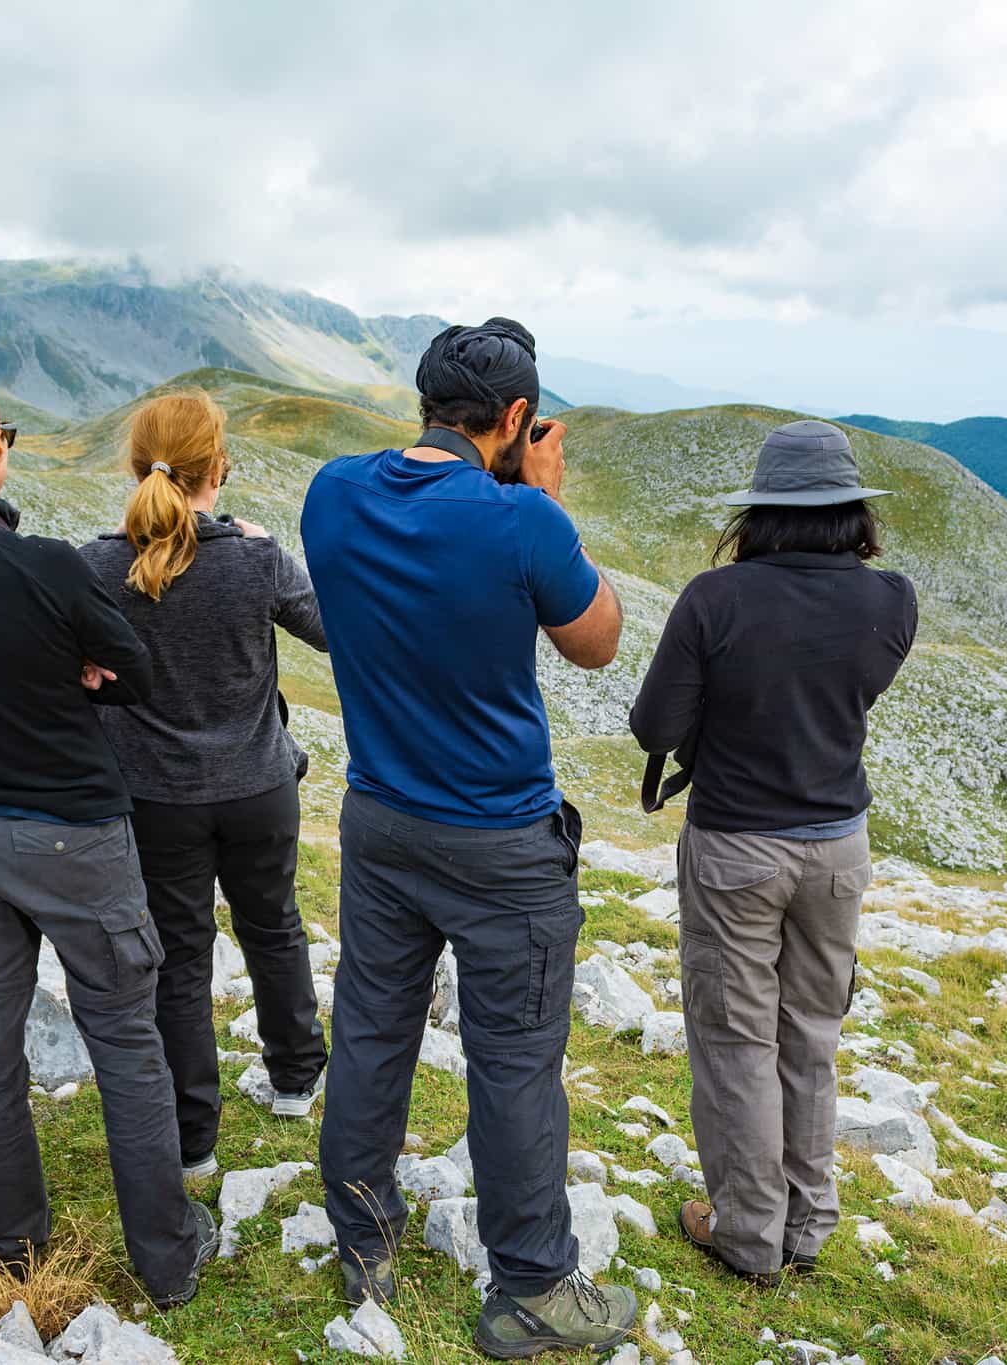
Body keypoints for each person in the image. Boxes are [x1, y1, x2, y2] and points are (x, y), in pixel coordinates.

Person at [303, 319, 635, 1358]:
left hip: (381, 820)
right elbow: (596, 642)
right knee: (514, 1063)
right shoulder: (518, 522)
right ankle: (533, 1287)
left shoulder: (330, 493)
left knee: (369, 1026)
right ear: (518, 419)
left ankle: (363, 1236)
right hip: (499, 840)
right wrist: (544, 497)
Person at [0, 368, 216, 1305]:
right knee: (126, 1042)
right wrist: (86, 671)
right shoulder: (52, 564)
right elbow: (137, 671)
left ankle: (13, 1247)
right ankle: (168, 1255)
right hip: (76, 836)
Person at [628, 420, 917, 1283]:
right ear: (852, 512)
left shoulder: (715, 600)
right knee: (812, 1034)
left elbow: (654, 727)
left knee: (735, 1037)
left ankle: (748, 1231)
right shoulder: (891, 600)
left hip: (734, 850)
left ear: (761, 514)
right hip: (837, 849)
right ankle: (808, 1221)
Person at [80, 390, 330, 1178]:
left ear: (136, 466)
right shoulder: (254, 560)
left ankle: (194, 1141)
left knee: (180, 960)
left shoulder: (95, 564)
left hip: (155, 800)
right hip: (258, 786)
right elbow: (333, 629)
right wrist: (269, 550)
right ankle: (296, 1077)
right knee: (274, 925)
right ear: (218, 467)